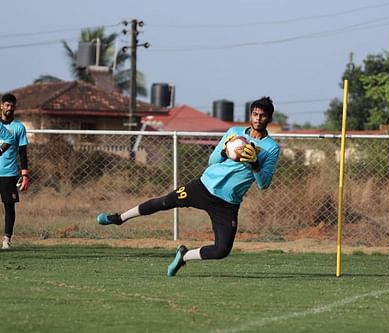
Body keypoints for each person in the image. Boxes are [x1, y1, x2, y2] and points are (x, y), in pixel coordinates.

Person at [97, 96, 280, 276]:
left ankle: (184, 255)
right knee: (164, 202)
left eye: (263, 115)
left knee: (221, 250)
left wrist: (255, 164)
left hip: (227, 203)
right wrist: (225, 151)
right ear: (250, 115)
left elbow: (263, 184)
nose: (258, 118)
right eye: (255, 114)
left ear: (269, 119)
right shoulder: (234, 132)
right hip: (203, 187)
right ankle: (120, 218)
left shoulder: (271, 148)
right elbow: (212, 161)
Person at [0, 93, 29, 250]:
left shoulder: (19, 127)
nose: (9, 108)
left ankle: (6, 240)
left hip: (9, 174)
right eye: (7, 105)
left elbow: (23, 153)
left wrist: (25, 175)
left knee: (9, 207)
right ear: (1, 106)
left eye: (12, 106)